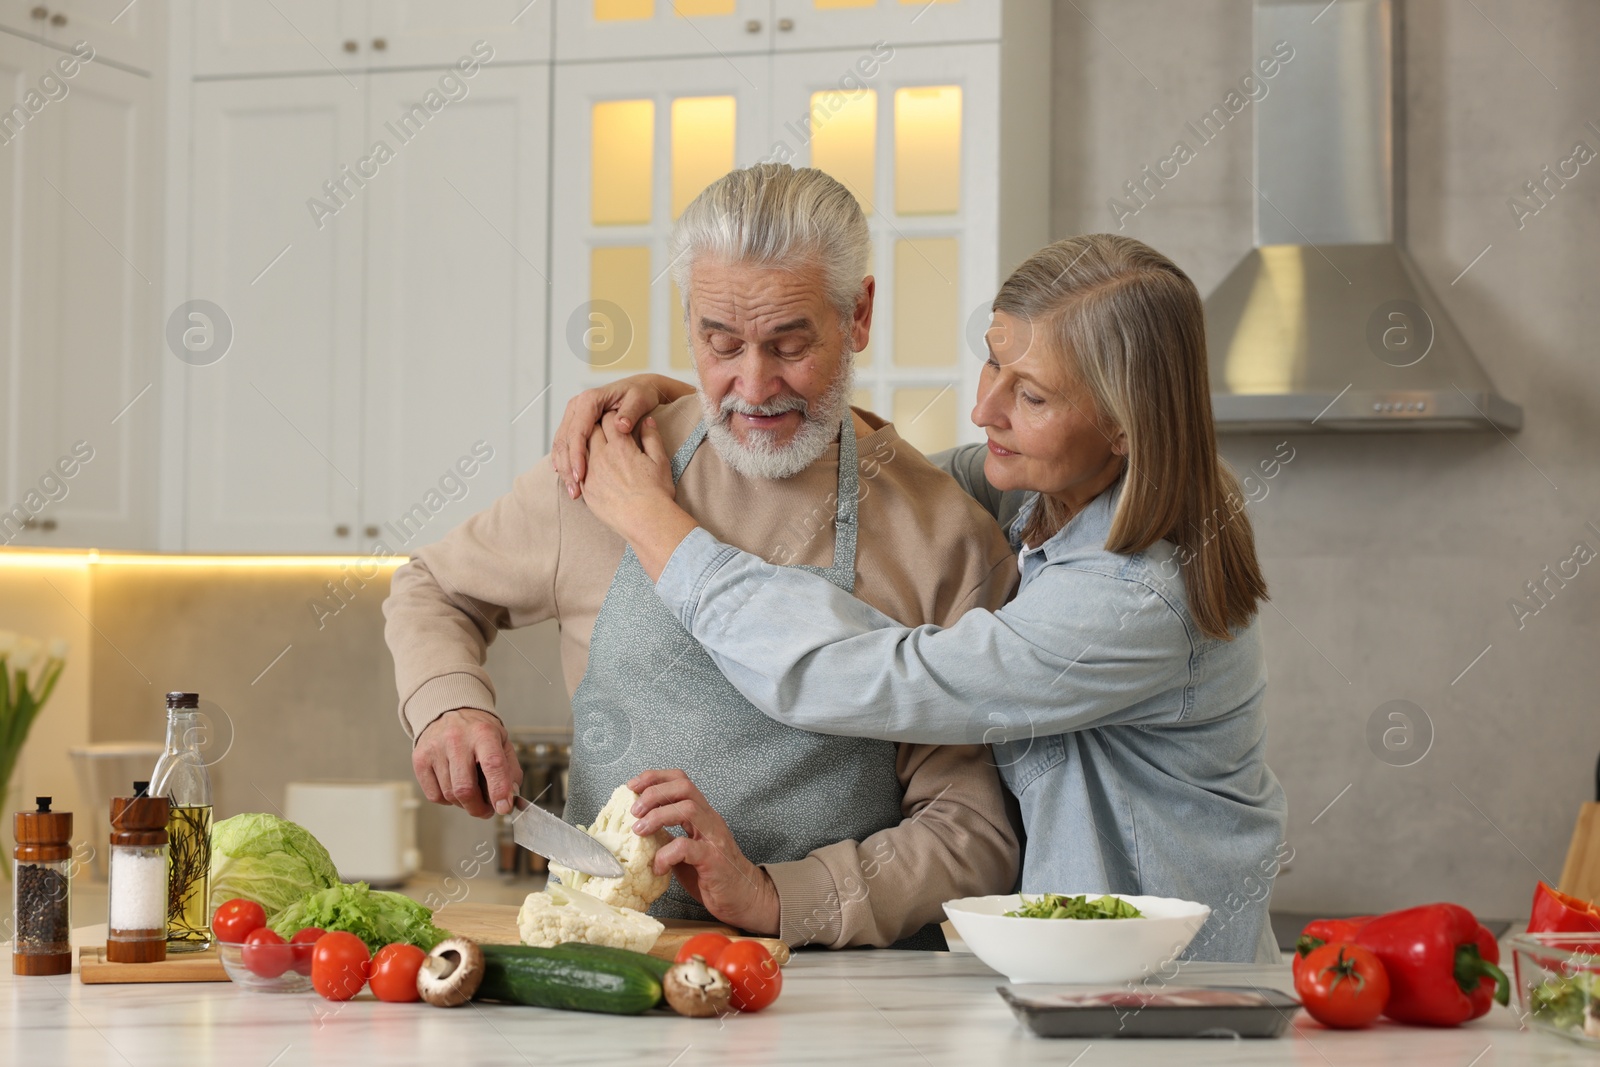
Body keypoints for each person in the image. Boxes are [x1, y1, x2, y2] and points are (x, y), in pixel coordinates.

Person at [557, 233, 1290, 963]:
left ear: (1126, 425)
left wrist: (656, 525)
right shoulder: (1048, 493)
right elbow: (875, 477)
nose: (984, 410)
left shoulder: (1135, 596)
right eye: (994, 363)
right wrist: (714, 402)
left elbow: (862, 675)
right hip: (1081, 980)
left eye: (1030, 394)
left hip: (1168, 998)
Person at [382, 163, 1021, 950]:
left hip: (835, 990)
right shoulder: (608, 466)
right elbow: (433, 586)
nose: (753, 386)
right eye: (721, 343)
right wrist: (448, 704)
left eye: (790, 344)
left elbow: (974, 833)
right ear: (689, 321)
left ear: (857, 315)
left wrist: (774, 895)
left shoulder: (943, 536)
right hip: (605, 973)